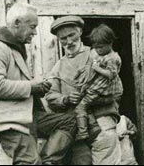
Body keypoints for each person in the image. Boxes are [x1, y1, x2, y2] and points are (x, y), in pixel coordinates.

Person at [0, 3, 76, 165]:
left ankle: (48, 162)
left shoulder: (14, 48)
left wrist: (38, 89)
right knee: (30, 161)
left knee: (69, 121)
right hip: (7, 120)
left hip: (26, 115)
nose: (35, 32)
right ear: (17, 23)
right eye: (32, 27)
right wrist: (32, 87)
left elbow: (16, 84)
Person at [46, 16, 122, 165]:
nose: (68, 41)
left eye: (71, 35)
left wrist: (91, 99)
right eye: (63, 38)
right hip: (78, 129)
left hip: (102, 122)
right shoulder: (58, 67)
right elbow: (50, 95)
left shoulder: (98, 54)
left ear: (80, 31)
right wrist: (66, 99)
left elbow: (117, 91)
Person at [73, 24, 123, 140]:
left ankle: (82, 131)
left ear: (110, 43)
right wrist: (84, 70)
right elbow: (91, 62)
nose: (98, 50)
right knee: (85, 103)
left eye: (100, 47)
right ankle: (94, 126)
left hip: (102, 89)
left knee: (80, 106)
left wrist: (98, 69)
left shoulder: (112, 58)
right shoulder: (96, 53)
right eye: (95, 47)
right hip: (96, 86)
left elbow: (111, 74)